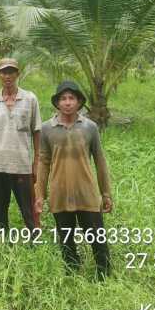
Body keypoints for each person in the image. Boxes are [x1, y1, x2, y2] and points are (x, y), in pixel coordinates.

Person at [35, 81, 112, 279]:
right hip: (60, 194)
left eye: (71, 98)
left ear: (78, 102)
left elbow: (100, 161)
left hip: (87, 193)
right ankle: (71, 270)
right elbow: (43, 162)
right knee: (66, 238)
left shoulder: (90, 127)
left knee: (96, 236)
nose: (67, 102)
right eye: (63, 98)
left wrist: (106, 194)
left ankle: (103, 272)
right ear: (57, 103)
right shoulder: (46, 129)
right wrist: (39, 195)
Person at [0, 58, 42, 232]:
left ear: (17, 74)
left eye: (11, 72)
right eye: (4, 72)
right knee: (0, 208)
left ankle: (34, 239)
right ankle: (4, 241)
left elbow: (37, 132)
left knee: (28, 208)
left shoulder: (30, 99)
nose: (8, 76)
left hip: (22, 165)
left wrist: (36, 163)